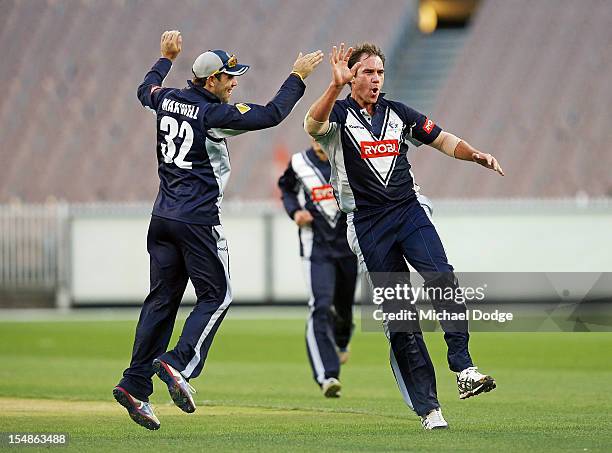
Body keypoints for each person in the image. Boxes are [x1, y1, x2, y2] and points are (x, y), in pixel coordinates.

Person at [113, 30, 323, 430]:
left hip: (162, 219)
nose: (234, 83)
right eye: (229, 77)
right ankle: (178, 364)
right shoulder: (212, 113)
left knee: (161, 301)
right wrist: (297, 76)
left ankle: (134, 383)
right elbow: (271, 114)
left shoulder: (167, 97)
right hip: (196, 219)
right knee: (218, 294)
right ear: (211, 81)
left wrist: (165, 57)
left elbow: (146, 89)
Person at [304, 43, 503, 430]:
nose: (376, 79)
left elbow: (442, 138)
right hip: (367, 224)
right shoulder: (339, 116)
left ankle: (463, 368)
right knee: (401, 318)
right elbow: (311, 125)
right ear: (351, 77)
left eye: (380, 72)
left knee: (443, 279)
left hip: (409, 211)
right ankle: (429, 409)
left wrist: (475, 154)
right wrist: (332, 87)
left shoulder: (398, 114)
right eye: (367, 73)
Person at [278, 139, 357, 398]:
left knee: (343, 308)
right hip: (316, 249)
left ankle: (342, 339)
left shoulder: (348, 158)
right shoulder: (299, 162)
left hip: (348, 247)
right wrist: (295, 212)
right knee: (320, 305)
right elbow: (286, 189)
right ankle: (327, 375)